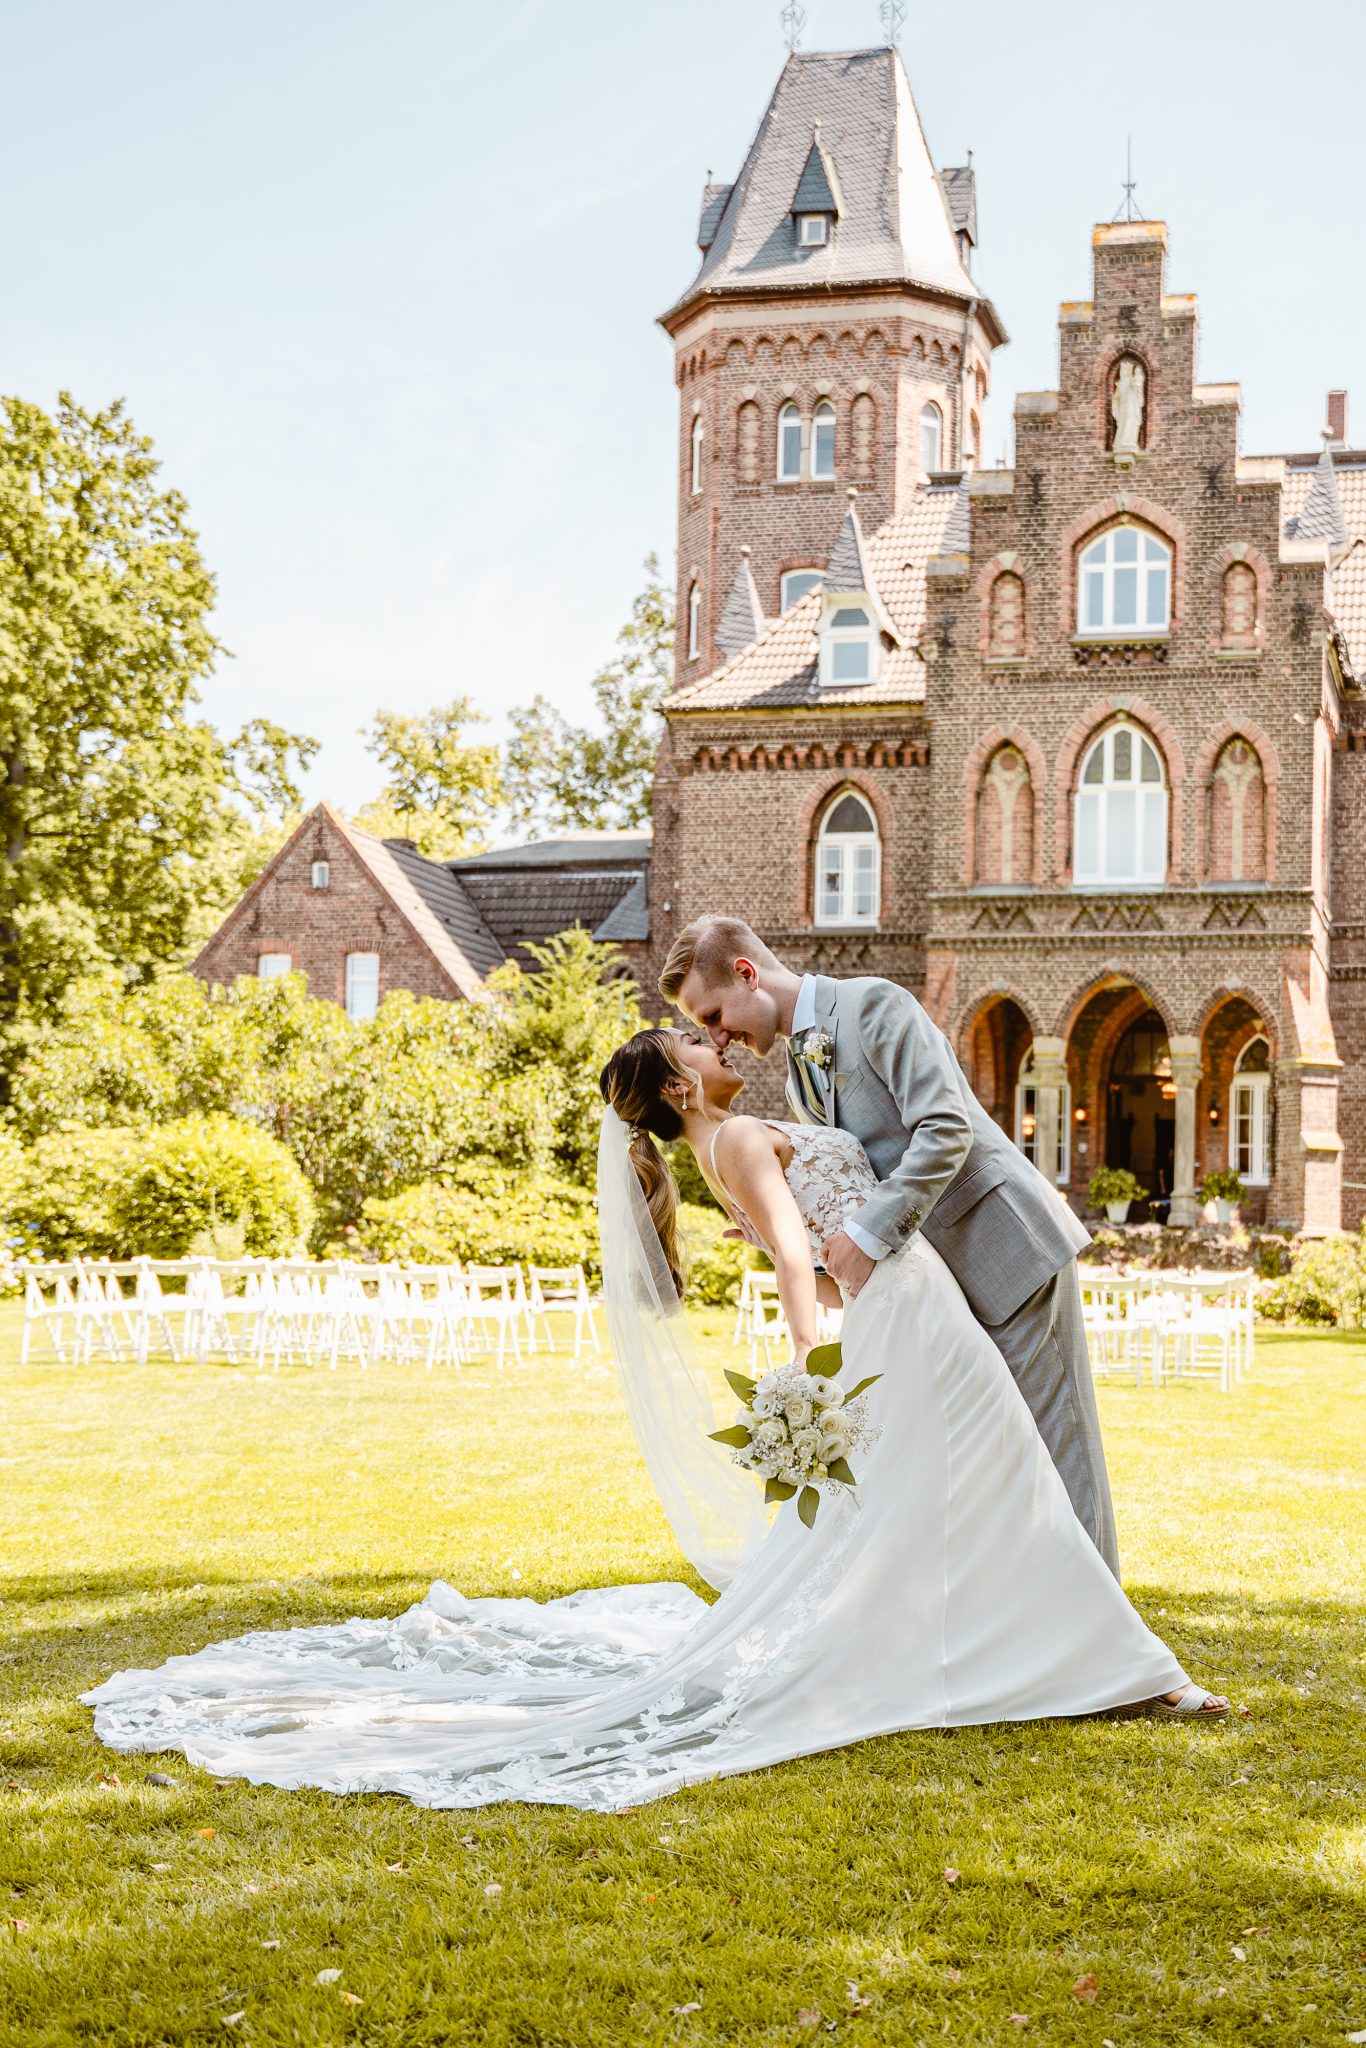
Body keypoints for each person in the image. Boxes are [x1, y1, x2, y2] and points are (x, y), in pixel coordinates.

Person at [81, 1027, 1227, 1815]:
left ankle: (1066, 1657)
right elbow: (794, 1258)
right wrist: (815, 1372)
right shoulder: (732, 1140)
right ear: (678, 1087)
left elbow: (806, 1236)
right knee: (1007, 1481)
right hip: (900, 1322)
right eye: (691, 1047)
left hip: (903, 1310)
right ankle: (1128, 1670)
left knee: (971, 1493)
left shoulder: (727, 1139)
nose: (710, 1045)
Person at [660, 915, 1120, 1576]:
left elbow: (944, 1127)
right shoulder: (797, 1079)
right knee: (995, 1456)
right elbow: (851, 1184)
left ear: (745, 974)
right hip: (938, 1290)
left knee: (1056, 1444)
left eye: (713, 1013)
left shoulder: (875, 1004)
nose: (716, 1034)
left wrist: (867, 1235)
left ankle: (1106, 1646)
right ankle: (1026, 1628)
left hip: (1007, 1248)